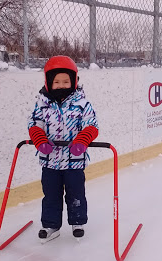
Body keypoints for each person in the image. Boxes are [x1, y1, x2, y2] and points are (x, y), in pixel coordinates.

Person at [28, 55, 99, 242]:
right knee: (50, 193)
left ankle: (77, 222)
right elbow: (35, 125)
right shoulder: (42, 105)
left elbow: (91, 126)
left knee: (76, 193)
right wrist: (39, 139)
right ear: (48, 82)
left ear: (74, 81)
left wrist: (82, 140)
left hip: (74, 161)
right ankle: (51, 225)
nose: (61, 85)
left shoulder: (82, 104)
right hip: (50, 161)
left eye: (66, 81)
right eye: (57, 81)